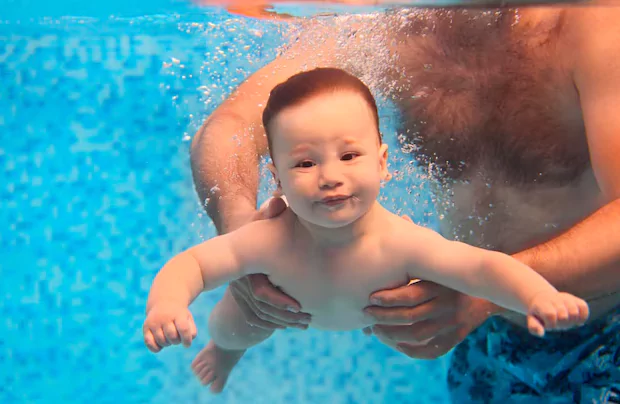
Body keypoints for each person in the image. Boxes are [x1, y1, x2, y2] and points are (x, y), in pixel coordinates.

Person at [189, 4, 620, 402]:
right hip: (485, 340)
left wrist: (485, 295)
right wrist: (238, 229)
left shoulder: (590, 23)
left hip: (606, 332)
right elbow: (231, 126)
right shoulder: (394, 23)